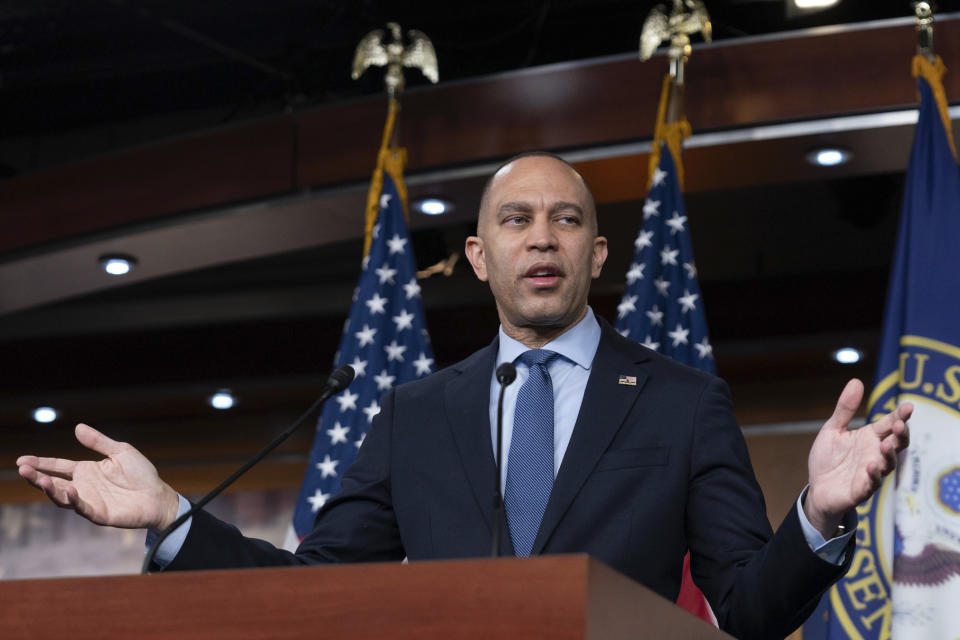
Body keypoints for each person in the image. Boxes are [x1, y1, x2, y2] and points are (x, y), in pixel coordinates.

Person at [17, 152, 911, 639]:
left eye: (568, 219)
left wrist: (819, 514)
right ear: (481, 258)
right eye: (515, 220)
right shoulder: (417, 414)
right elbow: (314, 589)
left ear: (598, 256)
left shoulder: (680, 402)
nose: (542, 237)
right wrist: (171, 514)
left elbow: (749, 611)